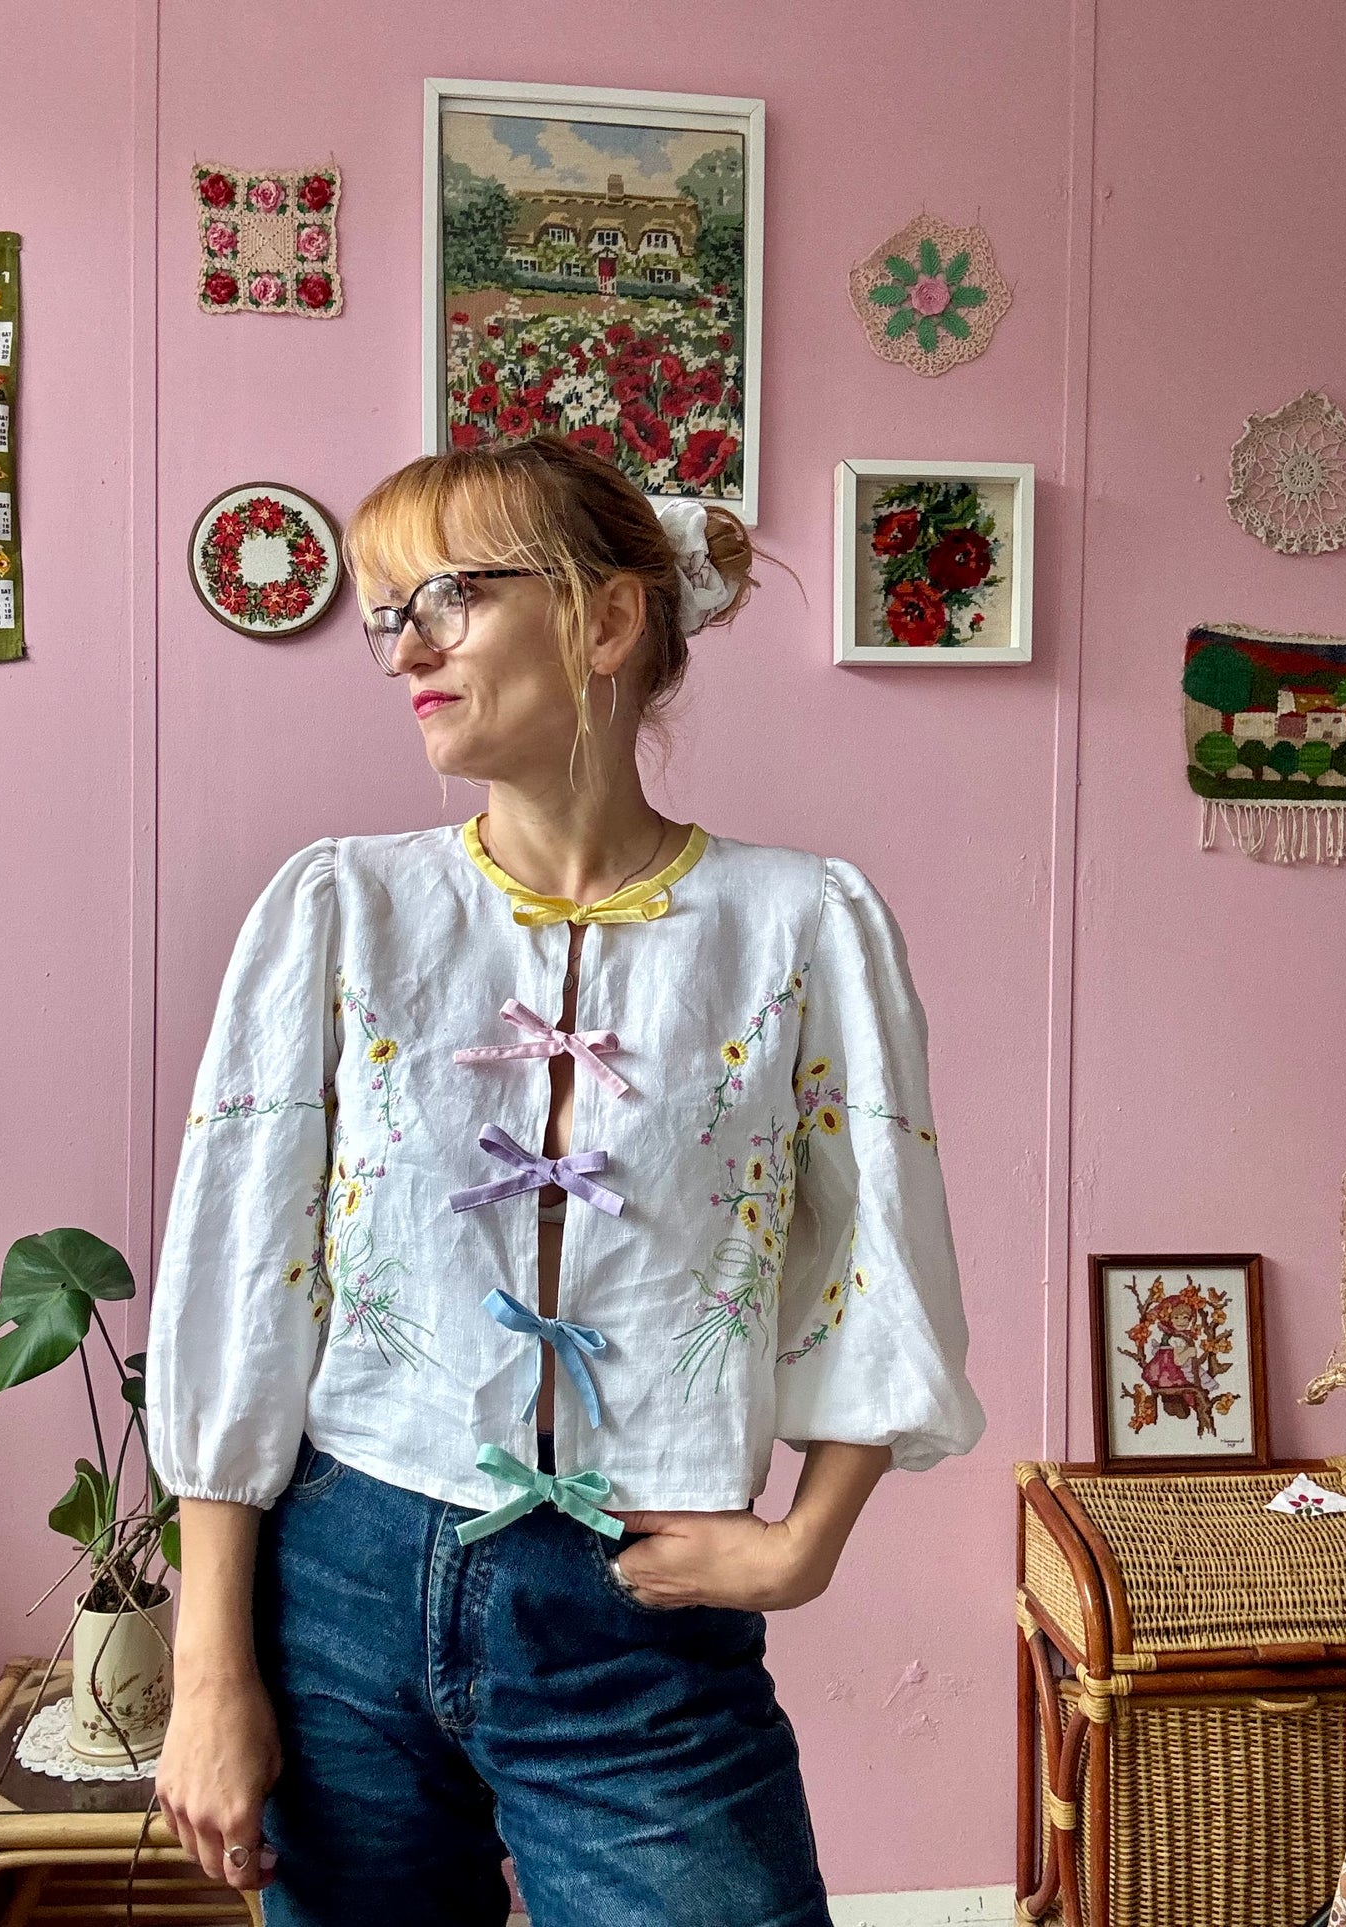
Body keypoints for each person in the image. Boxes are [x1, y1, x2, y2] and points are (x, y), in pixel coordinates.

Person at [146, 431, 988, 1925]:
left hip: (637, 1615)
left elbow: (883, 1260)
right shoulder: (339, 907)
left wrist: (805, 1543)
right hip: (339, 1582)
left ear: (603, 621)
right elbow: (236, 1288)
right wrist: (210, 1672)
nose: (401, 644)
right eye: (382, 610)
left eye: (447, 596)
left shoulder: (797, 926)